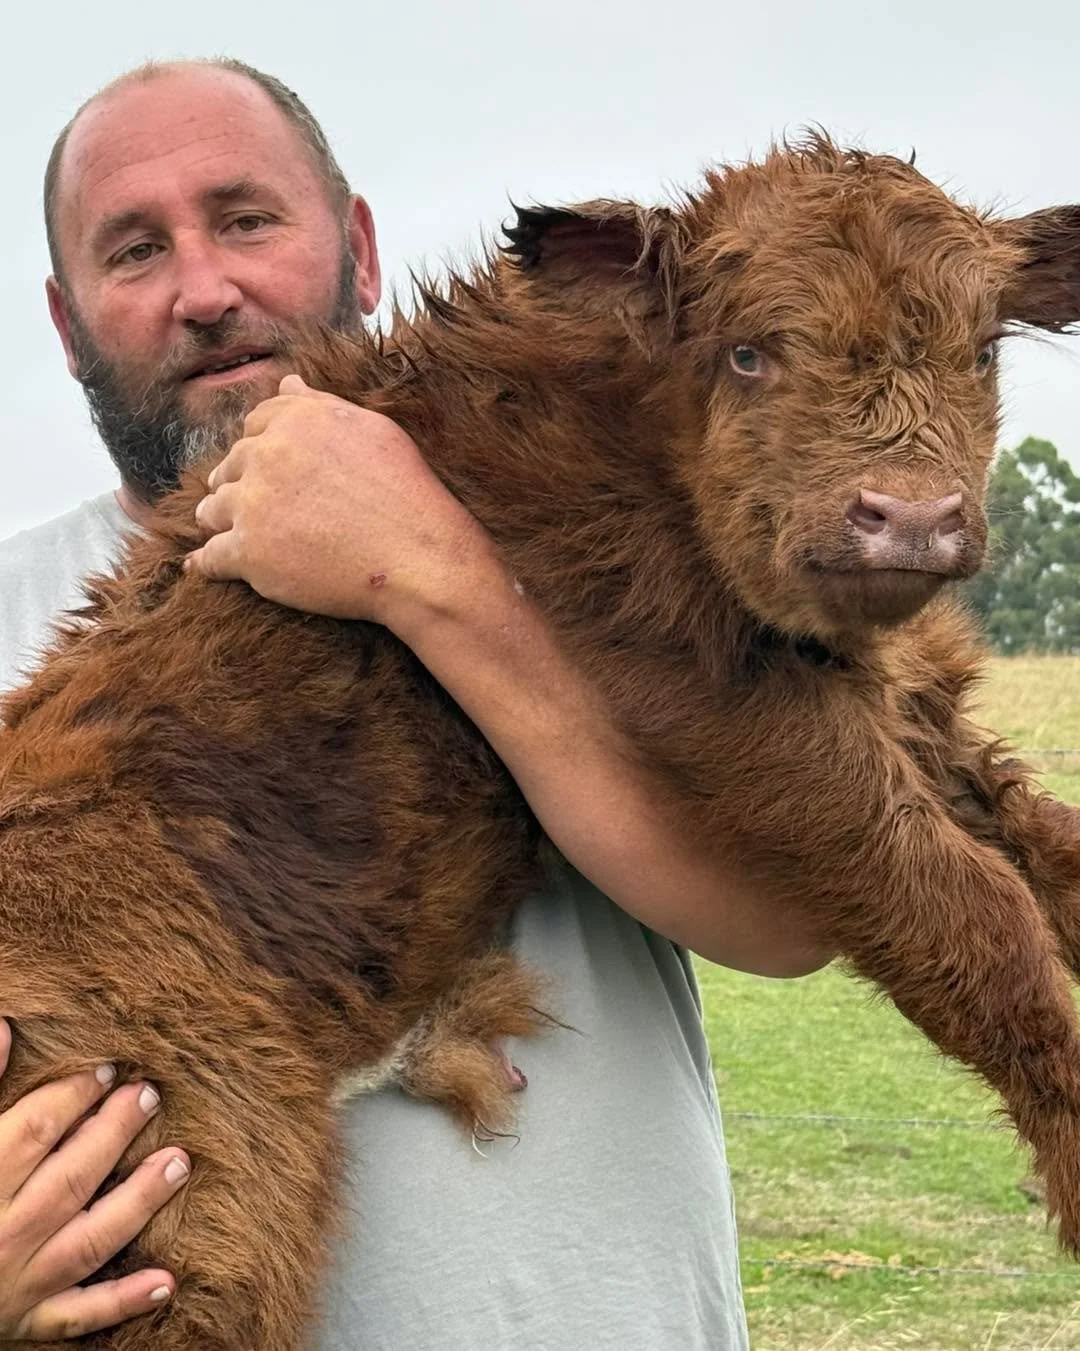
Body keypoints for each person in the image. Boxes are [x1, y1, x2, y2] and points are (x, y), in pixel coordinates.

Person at [0, 58, 828, 1348]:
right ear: (67, 325)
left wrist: (430, 576)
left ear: (362, 248)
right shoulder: (17, 616)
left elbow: (791, 916)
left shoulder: (584, 536)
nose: (204, 291)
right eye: (135, 250)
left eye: (248, 220)